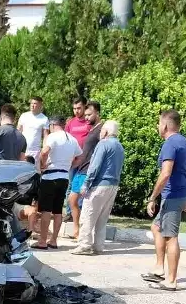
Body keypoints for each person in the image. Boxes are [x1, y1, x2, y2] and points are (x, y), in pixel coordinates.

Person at [142, 109, 186, 291]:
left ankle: (171, 281)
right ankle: (159, 269)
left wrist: (152, 197)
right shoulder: (184, 142)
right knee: (156, 227)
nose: (158, 126)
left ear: (165, 125)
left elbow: (166, 173)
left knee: (170, 237)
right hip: (179, 195)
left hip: (172, 197)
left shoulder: (170, 143)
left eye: (159, 123)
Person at [72, 120, 124, 255]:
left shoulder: (103, 144)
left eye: (101, 130)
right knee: (102, 218)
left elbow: (95, 166)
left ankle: (84, 245)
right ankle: (98, 246)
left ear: (106, 131)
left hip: (99, 184)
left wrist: (86, 184)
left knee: (88, 215)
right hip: (113, 185)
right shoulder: (119, 146)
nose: (100, 133)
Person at [32, 117, 82, 250]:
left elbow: (44, 152)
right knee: (58, 210)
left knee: (46, 210)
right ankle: (53, 240)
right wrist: (69, 166)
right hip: (64, 177)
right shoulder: (72, 139)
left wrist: (42, 164)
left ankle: (42, 241)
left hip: (50, 176)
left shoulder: (52, 137)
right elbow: (80, 157)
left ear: (53, 125)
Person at [67, 102, 104, 240]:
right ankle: (77, 230)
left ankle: (84, 233)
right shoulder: (92, 128)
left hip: (88, 170)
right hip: (80, 168)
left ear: (97, 113)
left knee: (84, 203)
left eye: (89, 114)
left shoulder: (101, 130)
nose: (86, 117)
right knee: (72, 200)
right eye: (86, 115)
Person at [17, 96, 50, 161]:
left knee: (34, 167)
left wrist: (44, 149)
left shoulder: (44, 119)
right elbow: (18, 131)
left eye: (35, 103)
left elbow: (45, 136)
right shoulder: (24, 116)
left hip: (35, 151)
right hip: (22, 149)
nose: (32, 105)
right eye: (31, 103)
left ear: (40, 105)